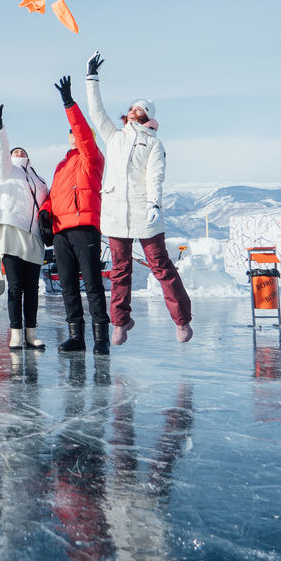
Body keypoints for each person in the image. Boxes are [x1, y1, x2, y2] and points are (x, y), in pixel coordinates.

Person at [85, 51, 193, 344]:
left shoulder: (154, 144)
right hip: (117, 213)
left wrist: (154, 204)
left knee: (161, 267)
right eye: (131, 107)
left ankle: (182, 320)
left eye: (139, 109)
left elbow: (154, 176)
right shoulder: (114, 137)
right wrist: (92, 78)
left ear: (148, 115)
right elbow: (96, 113)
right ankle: (119, 322)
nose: (133, 111)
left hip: (146, 215)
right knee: (119, 270)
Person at [39, 76, 109, 355]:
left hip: (84, 227)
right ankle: (76, 335)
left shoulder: (92, 158)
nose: (73, 134)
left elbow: (82, 132)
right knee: (67, 285)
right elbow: (52, 197)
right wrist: (45, 214)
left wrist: (69, 103)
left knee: (92, 283)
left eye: (77, 132)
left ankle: (101, 336)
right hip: (61, 232)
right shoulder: (60, 165)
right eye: (70, 132)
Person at [0, 102, 51, 350]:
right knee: (15, 287)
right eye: (16, 151)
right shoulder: (6, 172)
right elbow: (0, 151)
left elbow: (48, 203)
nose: (19, 153)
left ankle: (31, 333)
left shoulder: (39, 179)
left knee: (32, 289)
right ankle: (15, 332)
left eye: (23, 151)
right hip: (12, 233)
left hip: (34, 237)